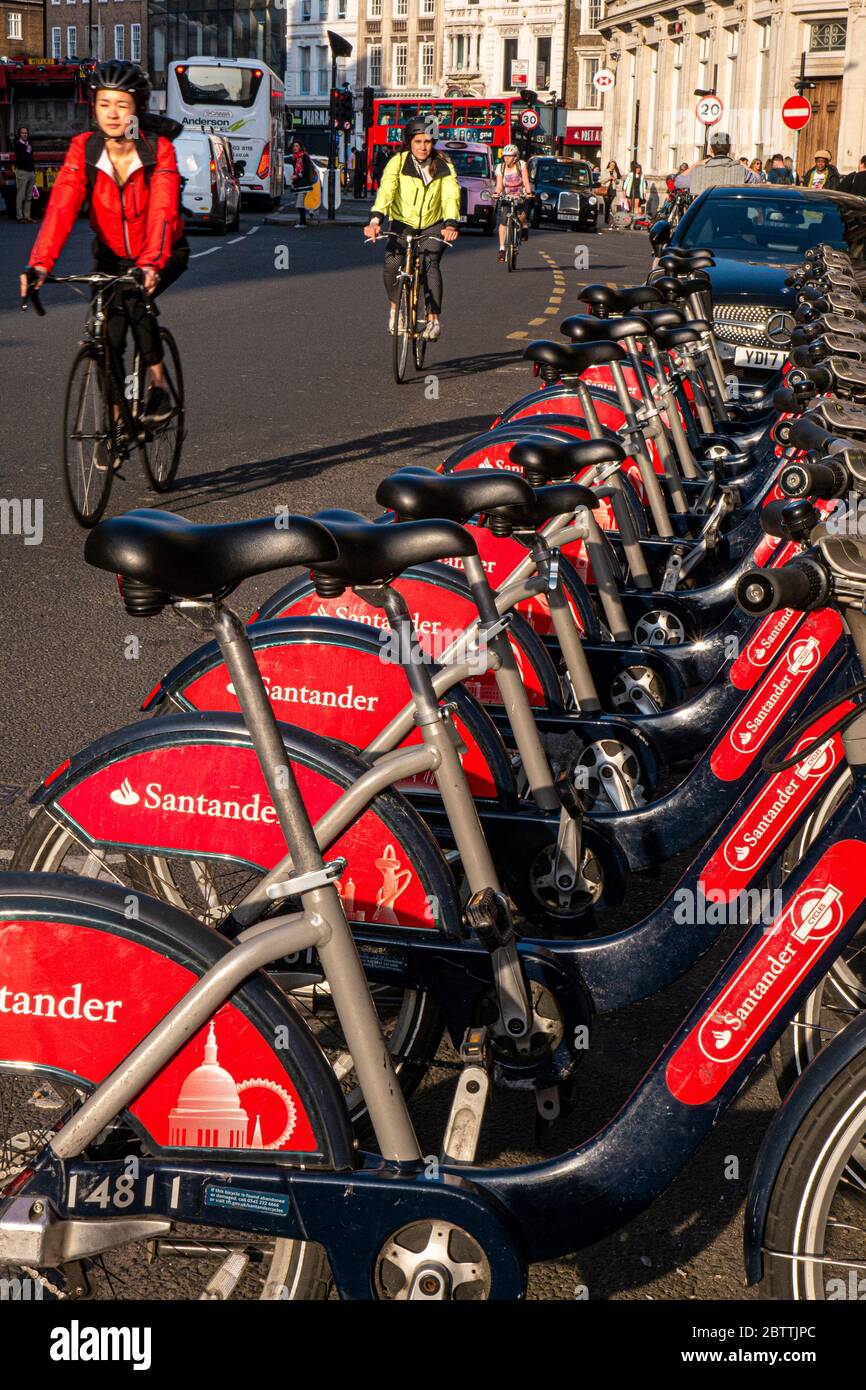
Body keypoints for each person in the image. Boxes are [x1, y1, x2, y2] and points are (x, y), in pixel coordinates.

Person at [22, 61, 186, 431]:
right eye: (103, 103)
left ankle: (160, 386)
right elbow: (62, 205)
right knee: (108, 336)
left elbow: (162, 209)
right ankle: (115, 422)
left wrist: (150, 263)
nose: (112, 114)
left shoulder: (158, 150)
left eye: (121, 104)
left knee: (134, 302)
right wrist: (40, 264)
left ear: (137, 109)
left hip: (164, 248)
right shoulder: (84, 150)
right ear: (93, 106)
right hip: (111, 253)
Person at [363, 118, 460, 342]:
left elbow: (450, 195)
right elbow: (387, 191)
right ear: (409, 142)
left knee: (430, 262)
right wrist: (376, 220)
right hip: (402, 221)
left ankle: (433, 319)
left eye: (427, 141)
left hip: (432, 223)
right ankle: (396, 311)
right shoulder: (397, 162)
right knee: (392, 264)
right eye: (418, 141)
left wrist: (451, 223)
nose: (423, 146)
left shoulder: (444, 165)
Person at [676, 132, 759, 194]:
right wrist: (742, 164)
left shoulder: (699, 171)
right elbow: (758, 179)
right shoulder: (741, 171)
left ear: (711, 149)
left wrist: (695, 164)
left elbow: (678, 182)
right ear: (730, 148)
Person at [493, 144, 532, 262]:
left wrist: (528, 192)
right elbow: (499, 185)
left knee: (522, 217)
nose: (506, 159)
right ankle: (502, 250)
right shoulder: (500, 167)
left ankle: (524, 228)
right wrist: (496, 193)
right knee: (504, 221)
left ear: (515, 157)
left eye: (509, 157)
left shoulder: (521, 165)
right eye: (505, 156)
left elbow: (525, 180)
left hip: (521, 195)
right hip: (507, 196)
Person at [288, 139, 317, 226]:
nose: (295, 148)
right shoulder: (294, 157)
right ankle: (302, 222)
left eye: (297, 146)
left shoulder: (304, 156)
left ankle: (302, 223)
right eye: (294, 146)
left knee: (299, 203)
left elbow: (306, 170)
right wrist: (293, 181)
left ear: (300, 147)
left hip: (304, 183)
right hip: (298, 183)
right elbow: (295, 170)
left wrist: (297, 176)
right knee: (300, 203)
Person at [12, 125, 36, 223]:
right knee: (21, 195)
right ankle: (19, 217)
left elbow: (30, 158)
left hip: (31, 172)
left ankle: (27, 216)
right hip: (22, 172)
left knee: (29, 196)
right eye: (23, 133)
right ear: (19, 134)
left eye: (26, 133)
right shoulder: (18, 144)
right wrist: (27, 151)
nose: (25, 135)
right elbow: (21, 159)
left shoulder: (29, 144)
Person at [601, 159, 621, 225]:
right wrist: (608, 178)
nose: (612, 166)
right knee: (607, 204)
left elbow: (618, 182)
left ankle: (608, 219)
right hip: (606, 189)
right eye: (611, 164)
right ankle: (606, 219)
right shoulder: (605, 171)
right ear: (609, 164)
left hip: (613, 189)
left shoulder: (615, 172)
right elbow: (602, 181)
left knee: (609, 204)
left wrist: (615, 180)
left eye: (614, 165)